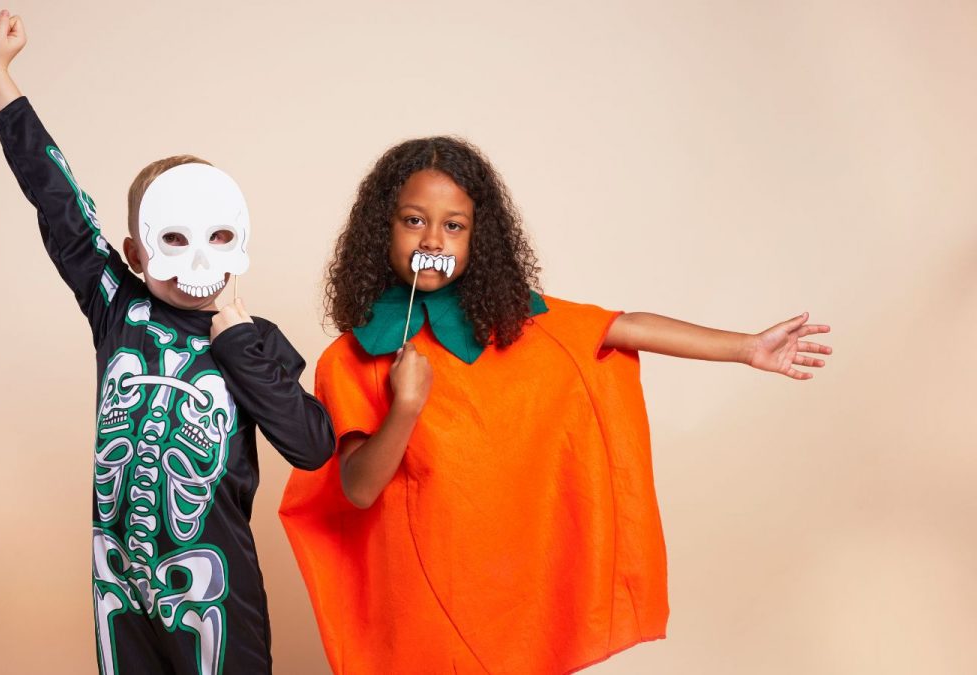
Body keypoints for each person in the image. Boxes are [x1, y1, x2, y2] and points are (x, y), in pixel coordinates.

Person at [280, 136, 832, 674]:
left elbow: (624, 327)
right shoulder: (350, 358)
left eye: (454, 225)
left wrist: (747, 348)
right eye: (413, 220)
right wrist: (404, 407)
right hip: (415, 601)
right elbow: (357, 487)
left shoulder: (519, 325)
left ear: (479, 238)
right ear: (384, 229)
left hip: (504, 593)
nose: (433, 240)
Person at [0, 11, 334, 675]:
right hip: (119, 588)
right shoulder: (116, 303)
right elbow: (56, 201)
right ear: (138, 251)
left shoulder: (258, 344)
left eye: (218, 237)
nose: (198, 259)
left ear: (241, 240)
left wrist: (239, 341)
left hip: (212, 593)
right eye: (173, 239)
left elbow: (312, 445)